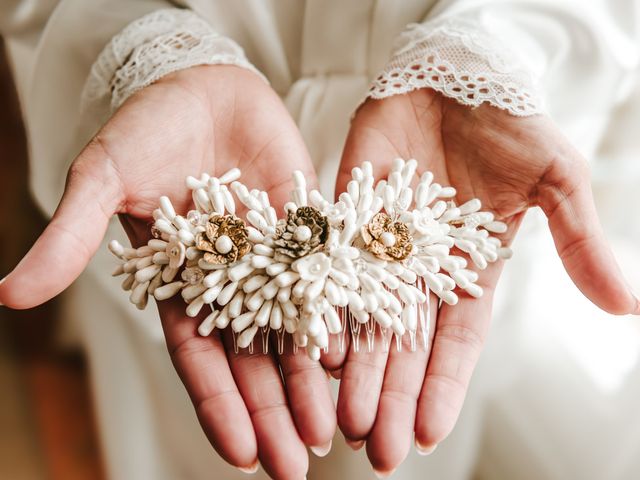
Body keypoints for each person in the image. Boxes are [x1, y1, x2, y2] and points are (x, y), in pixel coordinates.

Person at [1, 1, 638, 479]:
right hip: (190, 182)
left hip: (442, 225)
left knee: (408, 433)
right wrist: (148, 53)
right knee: (193, 437)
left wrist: (488, 56)